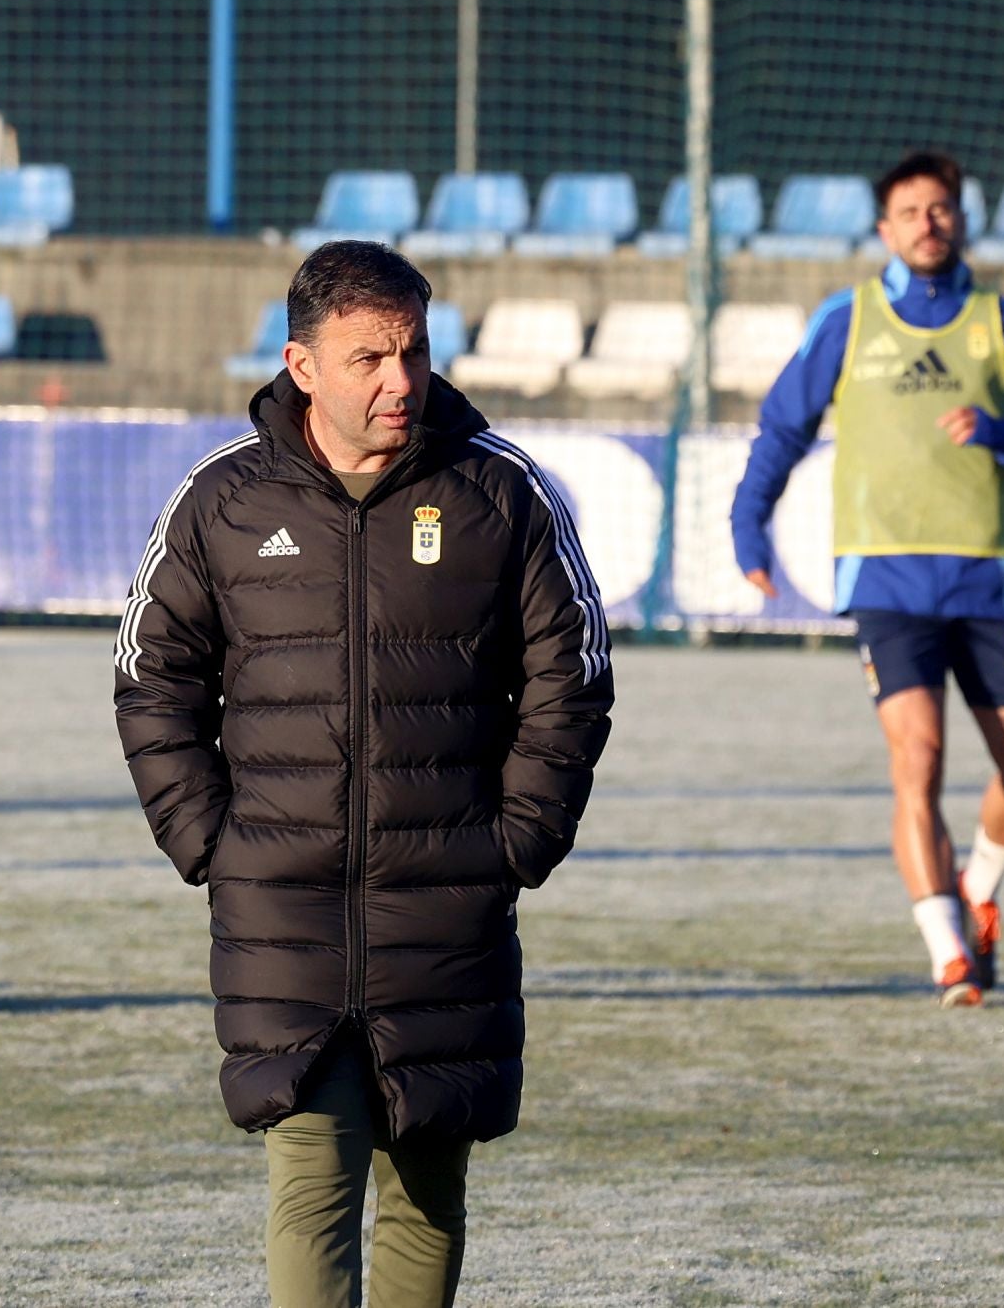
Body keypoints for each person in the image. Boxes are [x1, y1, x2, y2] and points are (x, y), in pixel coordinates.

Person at [113, 239, 614, 1305]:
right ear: (302, 367)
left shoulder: (499, 492)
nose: (400, 380)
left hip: (445, 895)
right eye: (369, 357)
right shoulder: (223, 501)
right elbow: (151, 677)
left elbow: (571, 674)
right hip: (281, 903)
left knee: (430, 1182)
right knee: (311, 1175)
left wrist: (518, 838)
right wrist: (207, 838)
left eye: (414, 351)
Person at [730, 151, 1004, 1007]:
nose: (930, 221)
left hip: (987, 580)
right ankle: (948, 952)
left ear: (961, 219)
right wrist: (749, 523)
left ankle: (980, 887)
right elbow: (783, 427)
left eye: (943, 208)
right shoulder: (848, 320)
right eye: (912, 210)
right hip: (886, 581)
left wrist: (1002, 431)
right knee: (916, 759)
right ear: (885, 229)